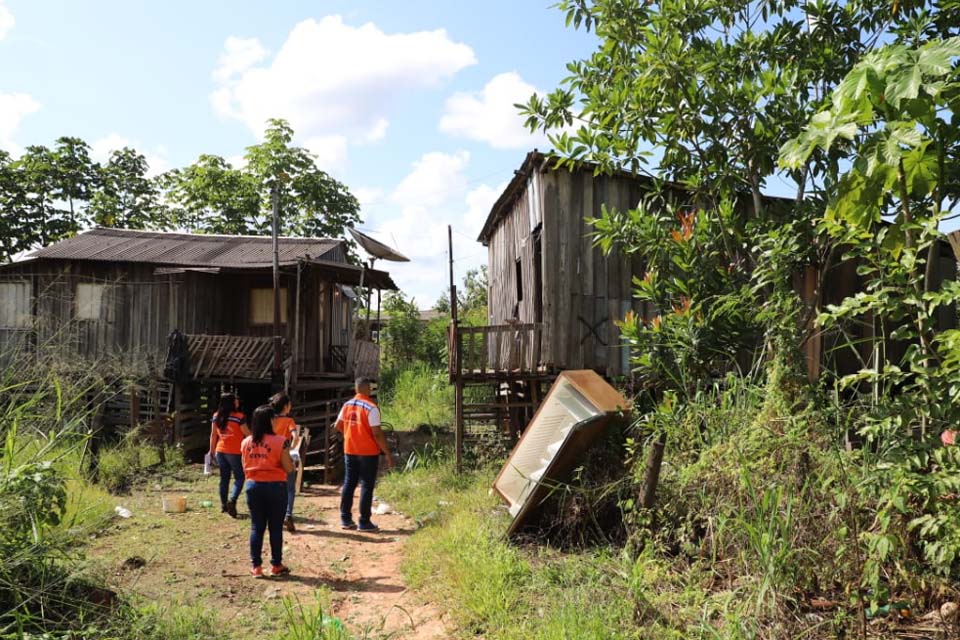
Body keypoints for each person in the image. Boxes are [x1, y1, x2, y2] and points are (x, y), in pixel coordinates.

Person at [241, 404, 295, 578]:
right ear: (271, 420)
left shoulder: (245, 443)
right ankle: (276, 565)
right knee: (275, 528)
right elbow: (288, 468)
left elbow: (244, 467)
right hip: (275, 487)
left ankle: (256, 567)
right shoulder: (280, 441)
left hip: (253, 486)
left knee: (257, 527)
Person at [336, 377, 393, 531]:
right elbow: (377, 434)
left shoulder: (347, 405)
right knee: (366, 485)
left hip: (350, 449)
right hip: (368, 453)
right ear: (368, 389)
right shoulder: (371, 407)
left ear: (356, 389)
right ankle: (364, 521)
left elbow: (338, 425)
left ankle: (345, 519)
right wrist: (387, 452)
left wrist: (350, 434)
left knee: (349, 483)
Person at [209, 392, 249, 518]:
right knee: (240, 477)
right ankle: (232, 499)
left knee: (224, 478)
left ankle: (224, 505)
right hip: (235, 452)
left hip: (220, 451)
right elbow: (247, 434)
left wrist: (211, 451)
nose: (237, 402)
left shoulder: (216, 416)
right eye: (235, 400)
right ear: (231, 403)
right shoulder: (239, 417)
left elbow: (213, 435)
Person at [269, 392, 302, 533]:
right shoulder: (289, 421)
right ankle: (288, 515)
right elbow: (295, 437)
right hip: (285, 457)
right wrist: (291, 449)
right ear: (286, 406)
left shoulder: (270, 420)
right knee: (289, 488)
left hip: (271, 458)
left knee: (273, 488)